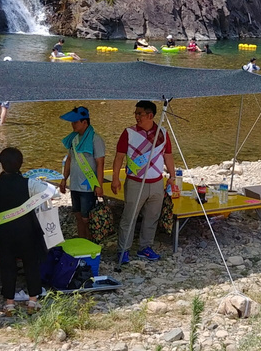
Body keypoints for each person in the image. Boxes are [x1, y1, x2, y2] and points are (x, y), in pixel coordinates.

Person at [0, 147, 47, 314]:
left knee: (7, 264)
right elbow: (48, 193)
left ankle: (9, 303)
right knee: (31, 263)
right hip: (27, 229)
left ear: (2, 165)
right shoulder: (29, 183)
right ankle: (32, 302)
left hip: (4, 230)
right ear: (21, 163)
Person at [112, 100, 176, 264]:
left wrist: (172, 176)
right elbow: (119, 156)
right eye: (136, 113)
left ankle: (145, 247)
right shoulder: (129, 133)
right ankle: (123, 250)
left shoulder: (162, 133)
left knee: (152, 216)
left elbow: (168, 156)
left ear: (150, 115)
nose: (136, 117)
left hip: (156, 182)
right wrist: (115, 178)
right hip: (135, 182)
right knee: (129, 217)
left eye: (139, 114)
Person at [59, 106, 105, 239]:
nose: (73, 125)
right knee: (78, 215)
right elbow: (69, 160)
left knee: (87, 218)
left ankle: (90, 242)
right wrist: (64, 179)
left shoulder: (95, 139)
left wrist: (99, 185)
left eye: (75, 122)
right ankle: (81, 240)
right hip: (74, 185)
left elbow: (100, 163)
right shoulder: (74, 139)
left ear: (85, 122)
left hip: (88, 186)